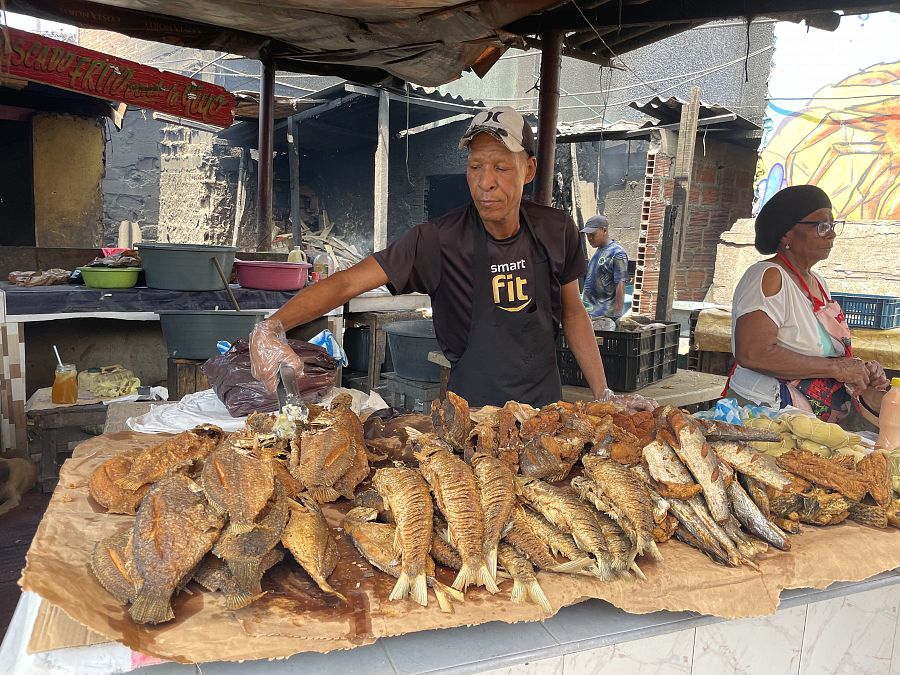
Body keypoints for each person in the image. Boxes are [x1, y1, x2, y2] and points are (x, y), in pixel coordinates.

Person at [250, 106, 609, 407]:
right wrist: (272, 326)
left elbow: (573, 312)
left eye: (501, 167)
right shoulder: (439, 239)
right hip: (471, 416)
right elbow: (346, 283)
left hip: (545, 413)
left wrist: (603, 393)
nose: (485, 182)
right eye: (475, 166)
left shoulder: (556, 229)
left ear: (528, 170)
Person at [728, 184, 889, 426]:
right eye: (821, 226)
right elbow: (753, 353)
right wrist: (836, 368)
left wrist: (859, 370)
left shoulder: (818, 282)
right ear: (786, 234)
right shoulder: (769, 276)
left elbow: (819, 352)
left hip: (808, 418)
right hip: (766, 414)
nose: (831, 235)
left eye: (832, 225)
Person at [580, 214, 629, 321]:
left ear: (605, 230)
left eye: (592, 234)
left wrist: (617, 316)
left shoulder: (617, 253)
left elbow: (620, 284)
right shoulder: (599, 251)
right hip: (590, 314)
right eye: (587, 235)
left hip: (604, 317)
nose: (589, 238)